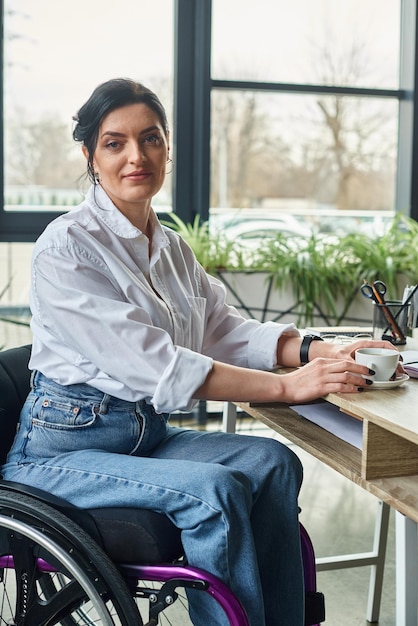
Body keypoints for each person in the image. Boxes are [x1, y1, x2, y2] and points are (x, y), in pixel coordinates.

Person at [1, 78, 399, 626]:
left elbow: (221, 327)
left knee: (272, 462)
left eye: (151, 138)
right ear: (90, 155)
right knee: (213, 492)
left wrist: (315, 348)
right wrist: (288, 386)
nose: (136, 156)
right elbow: (160, 365)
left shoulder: (169, 246)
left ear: (167, 148)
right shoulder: (66, 249)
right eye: (115, 142)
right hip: (58, 455)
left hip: (144, 435)